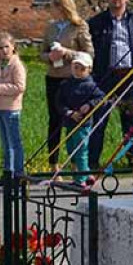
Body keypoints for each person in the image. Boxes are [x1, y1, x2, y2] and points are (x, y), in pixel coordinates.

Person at [86, 0, 133, 169]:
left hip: (129, 77)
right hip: (104, 77)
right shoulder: (96, 22)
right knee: (100, 120)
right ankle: (92, 162)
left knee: (130, 121)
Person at [39, 0, 93, 169]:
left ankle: (77, 163)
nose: (51, 10)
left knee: (74, 120)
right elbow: (41, 53)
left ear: (63, 8)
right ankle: (54, 164)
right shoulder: (51, 28)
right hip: (53, 78)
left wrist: (67, 53)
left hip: (73, 80)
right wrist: (50, 56)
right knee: (54, 120)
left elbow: (89, 53)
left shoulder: (79, 26)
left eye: (53, 7)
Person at [55, 51, 105, 185]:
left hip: (83, 124)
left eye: (82, 68)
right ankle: (86, 173)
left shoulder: (91, 86)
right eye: (76, 67)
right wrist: (69, 113)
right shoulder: (66, 84)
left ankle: (80, 179)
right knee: (71, 149)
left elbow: (102, 98)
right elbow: (59, 103)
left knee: (80, 150)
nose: (78, 71)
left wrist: (89, 105)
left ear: (89, 70)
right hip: (70, 121)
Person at [0, 31, 27, 183]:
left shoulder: (17, 65)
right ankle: (8, 172)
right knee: (5, 143)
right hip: (0, 106)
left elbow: (20, 87)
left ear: (13, 47)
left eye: (6, 47)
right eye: (0, 48)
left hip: (11, 108)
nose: (3, 51)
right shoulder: (0, 64)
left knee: (14, 141)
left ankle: (19, 172)